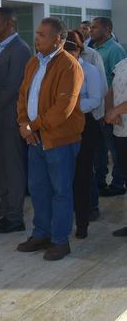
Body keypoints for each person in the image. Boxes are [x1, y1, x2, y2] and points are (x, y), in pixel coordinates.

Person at [16, 17, 84, 261]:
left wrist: (32, 126)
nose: (36, 38)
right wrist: (24, 125)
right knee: (38, 189)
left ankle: (59, 240)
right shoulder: (34, 62)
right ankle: (41, 234)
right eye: (36, 33)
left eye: (42, 34)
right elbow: (23, 96)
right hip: (35, 138)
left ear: (58, 39)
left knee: (61, 191)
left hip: (60, 140)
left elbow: (63, 108)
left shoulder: (69, 65)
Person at [0, 7, 32, 234]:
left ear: (9, 24)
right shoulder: (1, 48)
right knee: (1, 168)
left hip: (9, 119)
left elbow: (12, 88)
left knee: (12, 168)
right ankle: (4, 211)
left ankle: (14, 217)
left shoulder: (19, 49)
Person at [64, 31, 103, 239]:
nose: (70, 55)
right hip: (61, 126)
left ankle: (82, 223)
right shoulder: (57, 70)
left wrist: (71, 107)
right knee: (63, 177)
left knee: (82, 177)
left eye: (73, 50)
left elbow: (96, 99)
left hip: (85, 126)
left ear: (80, 51)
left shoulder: (89, 71)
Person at [89, 17, 127, 197]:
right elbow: (111, 84)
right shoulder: (94, 49)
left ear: (108, 28)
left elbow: (116, 83)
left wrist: (114, 111)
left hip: (117, 114)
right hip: (104, 111)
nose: (91, 30)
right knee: (103, 148)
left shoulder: (115, 50)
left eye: (95, 27)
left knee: (115, 150)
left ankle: (118, 182)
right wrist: (107, 109)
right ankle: (103, 181)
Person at [105, 55, 127, 237]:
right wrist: (110, 110)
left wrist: (116, 111)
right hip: (120, 131)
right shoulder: (121, 64)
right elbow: (111, 91)